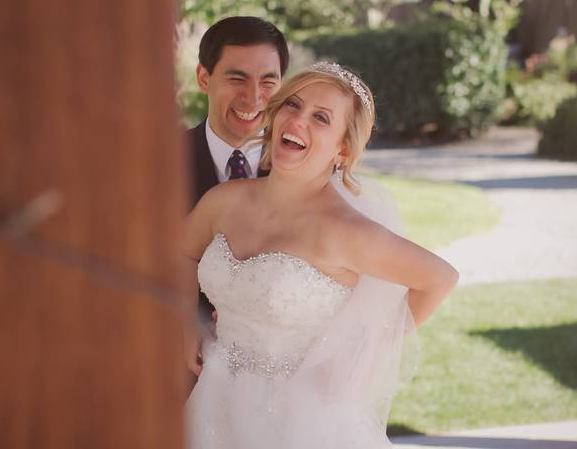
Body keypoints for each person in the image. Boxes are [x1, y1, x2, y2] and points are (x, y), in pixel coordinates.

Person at [182, 62, 459, 448]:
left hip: (300, 422)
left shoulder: (346, 232)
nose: (298, 121)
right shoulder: (223, 202)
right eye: (292, 105)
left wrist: (356, 360)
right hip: (210, 403)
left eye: (321, 118)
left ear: (342, 150)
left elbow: (439, 278)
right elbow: (178, 255)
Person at [185, 15, 289, 209]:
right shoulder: (162, 162)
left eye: (268, 82)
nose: (253, 98)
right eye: (237, 79)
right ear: (204, 79)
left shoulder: (300, 164)